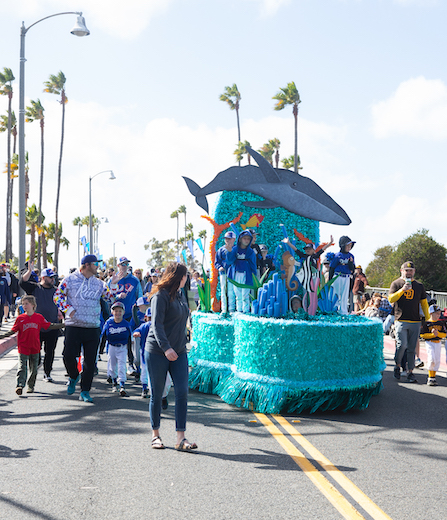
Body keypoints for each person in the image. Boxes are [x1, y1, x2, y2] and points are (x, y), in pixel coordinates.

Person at [54, 254, 122, 403]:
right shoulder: (69, 279)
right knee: (68, 356)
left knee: (90, 362)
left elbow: (110, 298)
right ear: (86, 265)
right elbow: (58, 296)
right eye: (95, 264)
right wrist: (68, 309)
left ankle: (85, 391)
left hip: (93, 327)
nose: (97, 267)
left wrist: (114, 284)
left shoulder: (99, 283)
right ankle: (73, 376)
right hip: (74, 326)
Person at [145, 262, 197, 451]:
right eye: (185, 276)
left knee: (182, 391)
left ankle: (181, 438)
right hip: (158, 351)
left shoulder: (183, 294)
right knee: (157, 394)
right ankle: (155, 435)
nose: (187, 279)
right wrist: (166, 348)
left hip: (180, 351)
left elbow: (189, 317)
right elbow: (156, 325)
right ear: (178, 276)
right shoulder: (160, 295)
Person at [6, 295, 64, 395]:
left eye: (26, 304)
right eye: (23, 304)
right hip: (23, 347)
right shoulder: (20, 318)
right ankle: (20, 385)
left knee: (33, 369)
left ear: (33, 305)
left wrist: (64, 324)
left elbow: (49, 325)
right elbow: (13, 331)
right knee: (22, 367)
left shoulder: (38, 317)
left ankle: (30, 386)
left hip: (35, 347)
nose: (24, 306)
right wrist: (2, 336)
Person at [389, 261, 429, 383]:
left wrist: (427, 318)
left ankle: (410, 371)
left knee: (412, 348)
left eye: (411, 270)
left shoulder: (419, 285)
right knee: (402, 345)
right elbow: (391, 298)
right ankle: (397, 365)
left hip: (415, 320)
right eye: (406, 270)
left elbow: (424, 302)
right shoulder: (396, 283)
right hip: (401, 319)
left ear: (414, 272)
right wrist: (402, 290)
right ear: (402, 271)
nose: (409, 272)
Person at [20, 263, 61, 382]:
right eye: (50, 277)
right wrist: (29, 271)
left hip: (52, 325)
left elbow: (60, 302)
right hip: (35, 326)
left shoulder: (56, 290)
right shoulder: (35, 288)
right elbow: (22, 283)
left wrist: (59, 312)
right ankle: (36, 365)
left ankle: (47, 373)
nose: (53, 279)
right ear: (43, 278)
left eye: (53, 277)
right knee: (35, 350)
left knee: (50, 351)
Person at [134, 307, 172, 403]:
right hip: (146, 354)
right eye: (150, 318)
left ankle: (163, 395)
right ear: (146, 317)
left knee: (165, 377)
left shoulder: (163, 325)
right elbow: (136, 331)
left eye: (153, 317)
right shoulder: (145, 326)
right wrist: (136, 333)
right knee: (145, 372)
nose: (151, 320)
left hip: (162, 355)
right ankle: (145, 389)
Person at [99, 301, 132, 396]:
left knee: (122, 365)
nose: (118, 313)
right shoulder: (109, 323)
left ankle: (122, 384)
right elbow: (104, 335)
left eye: (120, 311)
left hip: (122, 347)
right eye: (116, 311)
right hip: (112, 347)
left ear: (123, 312)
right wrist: (101, 350)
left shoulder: (126, 324)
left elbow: (130, 338)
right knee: (112, 366)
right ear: (112, 312)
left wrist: (130, 355)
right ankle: (114, 382)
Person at [226, 230, 257, 313]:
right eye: (244, 238)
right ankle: (239, 311)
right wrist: (229, 252)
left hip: (246, 275)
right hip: (236, 274)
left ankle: (246, 311)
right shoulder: (234, 249)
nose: (246, 240)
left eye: (248, 239)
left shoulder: (250, 252)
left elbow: (253, 264)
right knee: (238, 294)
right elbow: (229, 261)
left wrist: (254, 276)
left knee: (245, 295)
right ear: (240, 239)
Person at [420, 304, 446, 386]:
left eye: (439, 313)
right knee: (431, 358)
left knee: (437, 360)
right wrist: (432, 335)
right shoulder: (427, 323)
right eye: (437, 313)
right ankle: (430, 377)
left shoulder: (441, 323)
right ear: (431, 313)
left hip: (438, 343)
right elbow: (422, 335)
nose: (438, 315)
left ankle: (434, 376)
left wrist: (437, 334)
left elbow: (444, 334)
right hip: (430, 343)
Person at [329, 236, 355, 315]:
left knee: (345, 294)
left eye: (350, 246)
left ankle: (343, 311)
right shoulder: (337, 255)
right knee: (336, 293)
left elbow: (353, 269)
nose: (349, 247)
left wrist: (350, 263)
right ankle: (334, 310)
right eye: (347, 246)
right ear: (342, 245)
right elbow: (331, 268)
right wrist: (330, 280)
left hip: (346, 277)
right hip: (337, 276)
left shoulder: (351, 256)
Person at [215, 231, 236, 313]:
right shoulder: (221, 250)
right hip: (223, 273)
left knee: (231, 291)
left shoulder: (236, 249)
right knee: (223, 290)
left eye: (229, 239)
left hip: (233, 273)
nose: (227, 240)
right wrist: (219, 267)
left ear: (234, 239)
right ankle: (224, 309)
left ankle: (232, 309)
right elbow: (217, 262)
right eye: (226, 239)